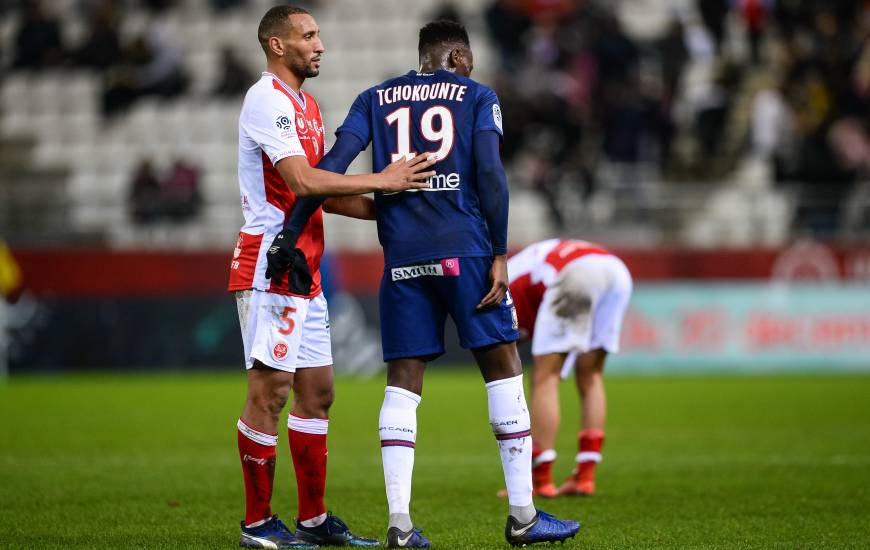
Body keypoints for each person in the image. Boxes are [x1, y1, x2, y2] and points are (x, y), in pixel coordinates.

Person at [282, 19, 581, 548]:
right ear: (460, 58)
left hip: (402, 260)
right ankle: (523, 516)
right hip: (465, 250)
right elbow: (490, 173)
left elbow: (329, 169)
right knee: (504, 365)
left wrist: (291, 228)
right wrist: (499, 253)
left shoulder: (374, 96)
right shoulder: (478, 95)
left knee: (402, 382)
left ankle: (399, 525)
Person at [228, 6, 435, 549]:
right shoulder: (265, 99)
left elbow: (325, 189)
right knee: (269, 394)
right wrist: (385, 178)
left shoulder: (308, 105)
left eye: (319, 34)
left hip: (308, 268)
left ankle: (315, 520)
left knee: (317, 394)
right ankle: (257, 523)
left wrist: (391, 207)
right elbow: (300, 178)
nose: (320, 44)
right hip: (270, 263)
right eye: (308, 35)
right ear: (277, 45)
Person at [506, 238, 632, 497]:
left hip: (575, 274)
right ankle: (585, 476)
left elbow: (511, 337)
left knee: (544, 377)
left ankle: (540, 480)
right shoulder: (517, 266)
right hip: (616, 272)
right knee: (591, 375)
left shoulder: (501, 286)